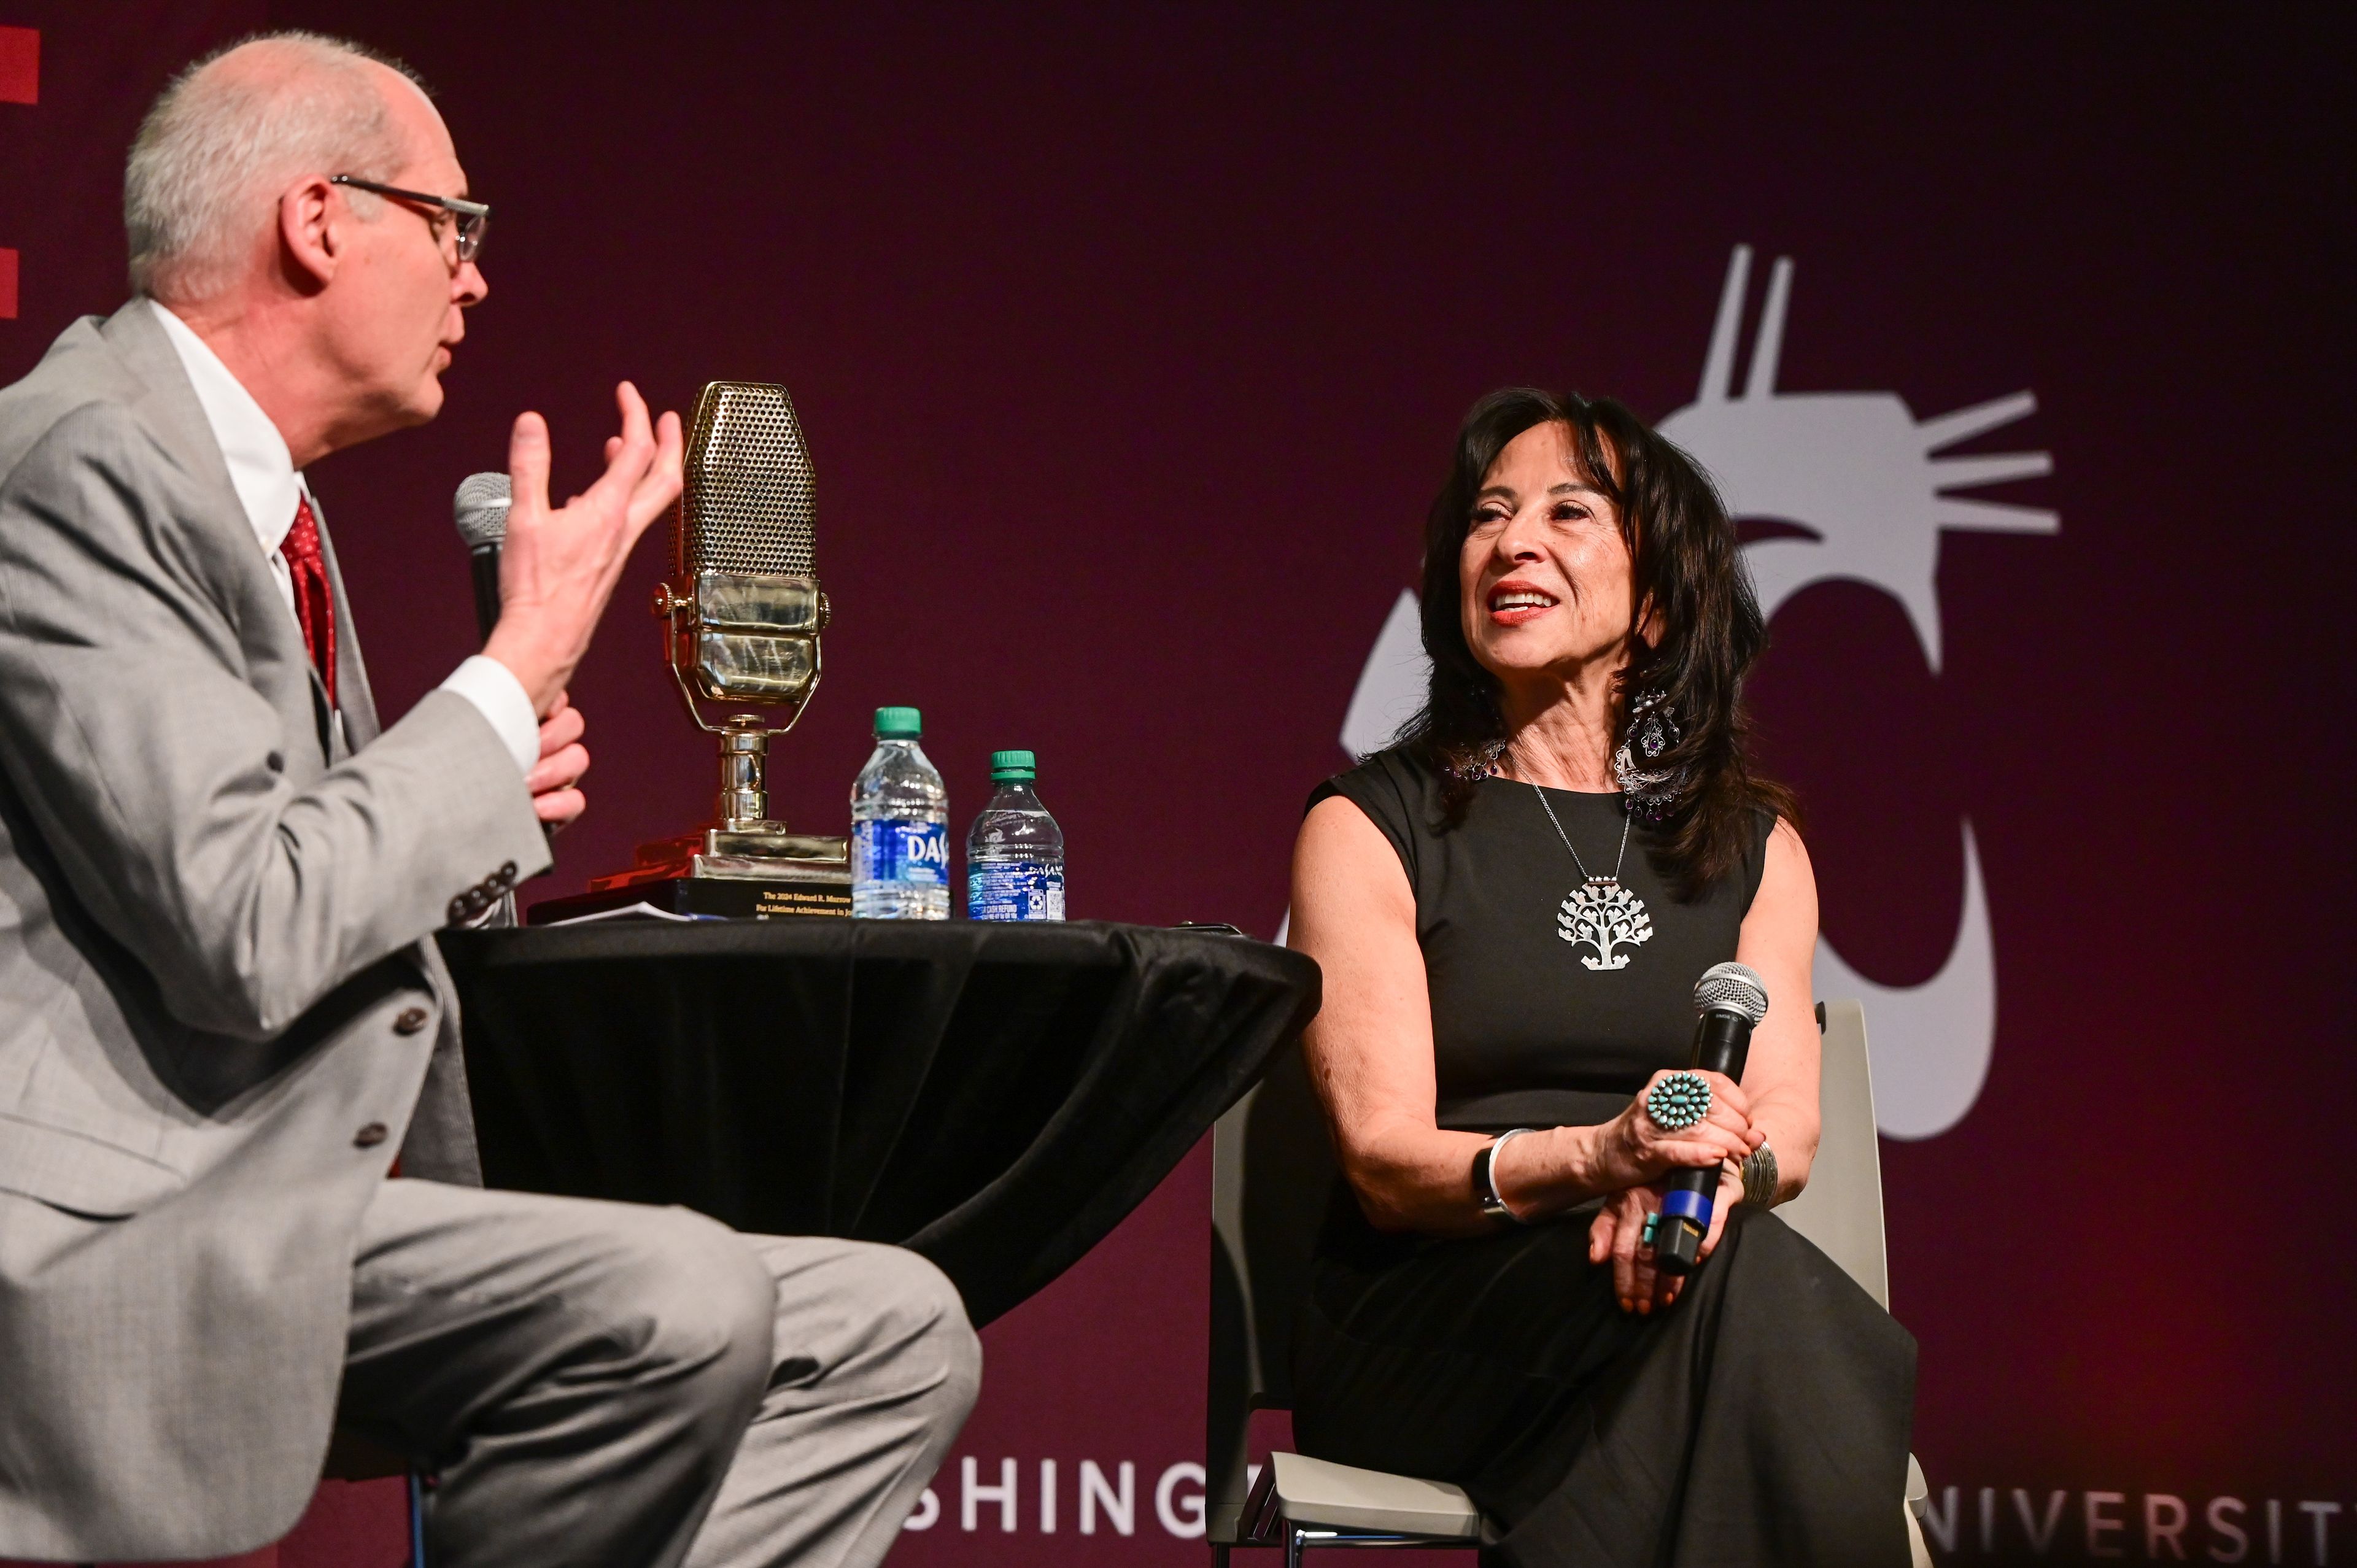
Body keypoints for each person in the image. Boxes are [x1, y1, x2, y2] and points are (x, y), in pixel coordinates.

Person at [0, 32, 976, 1567]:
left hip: (288, 1200)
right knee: (683, 1302)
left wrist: (479, 800)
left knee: (888, 1327)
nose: (477, 280)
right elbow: (245, 926)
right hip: (113, 1237)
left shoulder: (264, 502)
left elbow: (313, 880)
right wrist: (504, 676)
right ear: (320, 222)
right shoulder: (82, 464)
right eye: (454, 227)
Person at [1284, 388, 1917, 1566]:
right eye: (1487, 516)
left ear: (1663, 602)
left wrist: (1702, 1192)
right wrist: (1602, 1159)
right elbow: (1381, 1163)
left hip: (1671, 1284)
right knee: (1763, 1328)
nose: (1512, 541)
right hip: (1429, 1319)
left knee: (1719, 1302)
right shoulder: (1373, 825)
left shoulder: (1753, 848)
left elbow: (1784, 1123)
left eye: (1569, 512)